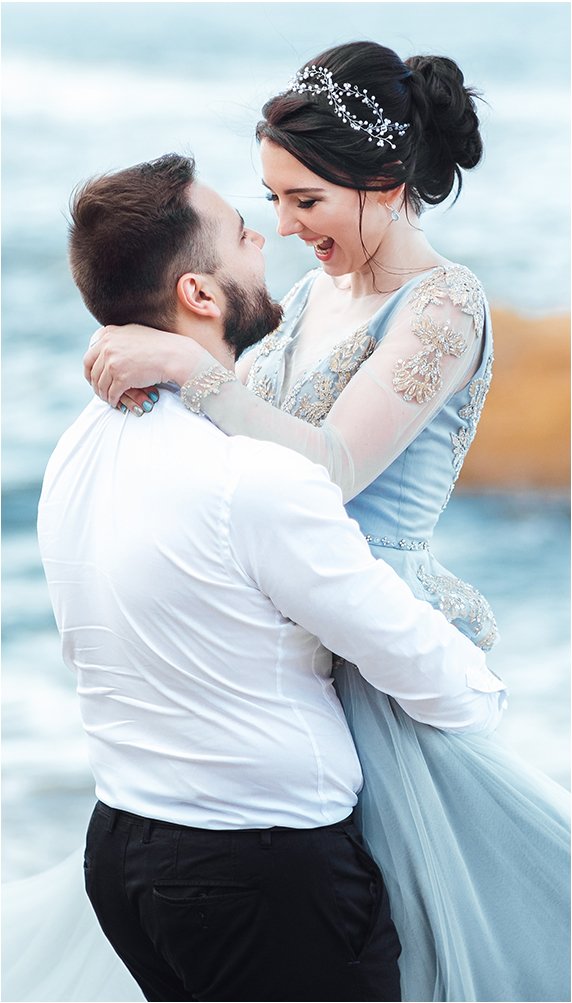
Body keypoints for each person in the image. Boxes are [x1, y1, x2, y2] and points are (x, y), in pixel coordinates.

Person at [84, 42, 571, 1003]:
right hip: (283, 640)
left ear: (384, 183)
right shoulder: (313, 293)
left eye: (305, 199)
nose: (284, 224)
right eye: (272, 199)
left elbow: (334, 466)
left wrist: (188, 368)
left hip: (373, 638)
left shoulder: (444, 306)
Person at [15, 151, 509, 1003]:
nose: (268, 237)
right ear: (198, 295)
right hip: (261, 876)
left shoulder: (79, 446)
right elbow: (408, 653)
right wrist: (485, 701)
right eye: (245, 229)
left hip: (123, 853)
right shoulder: (253, 480)